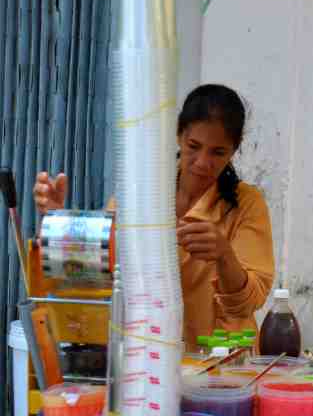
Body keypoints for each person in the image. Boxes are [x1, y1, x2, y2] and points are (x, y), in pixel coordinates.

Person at [34, 84, 275, 349]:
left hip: (222, 365)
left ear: (234, 150)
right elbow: (96, 271)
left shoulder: (247, 204)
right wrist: (57, 221)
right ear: (178, 135)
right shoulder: (139, 194)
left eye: (218, 152)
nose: (203, 162)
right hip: (148, 357)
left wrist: (225, 255)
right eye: (194, 146)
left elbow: (250, 302)